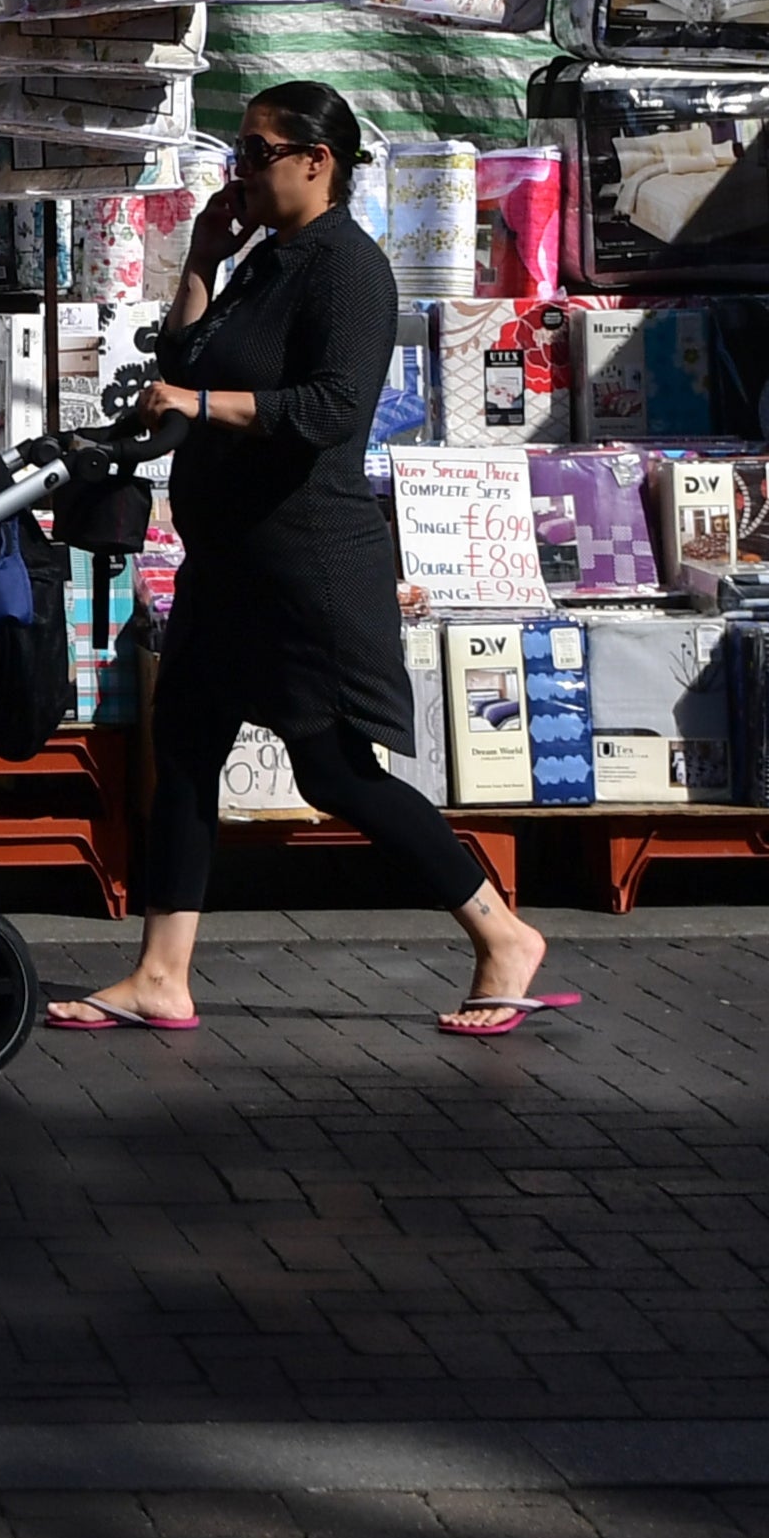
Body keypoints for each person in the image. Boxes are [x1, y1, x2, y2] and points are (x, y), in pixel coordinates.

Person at [47, 81, 576, 1040]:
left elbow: (331, 410)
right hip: (230, 566)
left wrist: (202, 409)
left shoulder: (348, 269)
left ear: (312, 160)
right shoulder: (263, 259)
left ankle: (501, 933)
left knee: (334, 770)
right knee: (186, 751)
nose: (237, 171)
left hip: (306, 570)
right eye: (235, 155)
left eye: (252, 152)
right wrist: (202, 259)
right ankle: (162, 974)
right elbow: (188, 357)